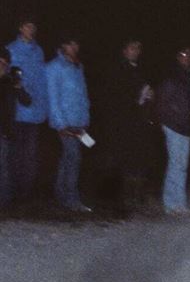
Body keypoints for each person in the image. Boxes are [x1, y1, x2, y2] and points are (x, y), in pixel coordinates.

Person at [102, 38, 155, 211]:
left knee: (138, 159)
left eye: (138, 48)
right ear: (124, 50)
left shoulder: (139, 69)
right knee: (124, 160)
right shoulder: (118, 70)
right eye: (132, 48)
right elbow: (115, 97)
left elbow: (144, 93)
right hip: (122, 123)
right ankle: (122, 200)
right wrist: (137, 98)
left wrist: (148, 96)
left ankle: (136, 197)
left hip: (139, 123)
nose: (136, 51)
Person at [45, 36, 92, 213]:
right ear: (63, 45)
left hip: (79, 122)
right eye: (70, 43)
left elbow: (84, 95)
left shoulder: (79, 66)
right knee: (73, 157)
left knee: (68, 158)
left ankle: (61, 195)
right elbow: (53, 97)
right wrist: (60, 124)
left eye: (76, 43)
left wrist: (86, 118)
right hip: (64, 122)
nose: (74, 47)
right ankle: (72, 200)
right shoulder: (54, 67)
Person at [6, 17, 49, 206]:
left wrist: (44, 106)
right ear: (21, 27)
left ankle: (26, 194)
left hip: (35, 111)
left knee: (30, 154)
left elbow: (42, 82)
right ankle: (12, 193)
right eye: (28, 26)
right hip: (16, 112)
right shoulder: (10, 50)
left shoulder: (39, 51)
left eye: (34, 26)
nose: (32, 30)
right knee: (15, 153)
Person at [155, 47, 190, 215]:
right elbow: (162, 103)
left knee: (182, 165)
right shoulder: (172, 76)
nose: (187, 58)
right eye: (183, 55)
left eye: (189, 55)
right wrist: (168, 122)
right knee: (175, 164)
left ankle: (180, 203)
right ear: (177, 57)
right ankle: (170, 203)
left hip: (186, 127)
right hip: (173, 126)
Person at [0, 47, 33, 207]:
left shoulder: (11, 81)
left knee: (4, 166)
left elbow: (27, 101)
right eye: (0, 61)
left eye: (5, 62)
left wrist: (18, 86)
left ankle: (4, 201)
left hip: (5, 131)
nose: (3, 65)